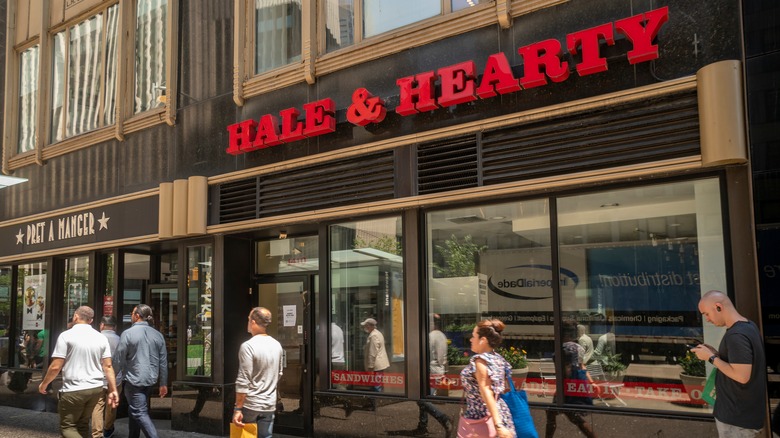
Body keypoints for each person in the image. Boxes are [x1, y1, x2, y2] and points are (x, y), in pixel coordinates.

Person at [692, 290, 767, 437]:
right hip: (741, 415)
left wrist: (711, 358)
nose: (707, 319)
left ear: (718, 307)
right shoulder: (748, 326)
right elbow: (742, 363)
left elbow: (742, 376)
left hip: (737, 418)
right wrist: (716, 354)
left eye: (706, 313)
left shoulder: (736, 335)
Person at [38, 306, 119, 438]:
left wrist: (44, 384)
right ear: (91, 320)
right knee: (82, 425)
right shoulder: (101, 338)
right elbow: (108, 366)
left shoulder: (66, 336)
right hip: (95, 389)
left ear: (75, 316)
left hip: (73, 389)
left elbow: (55, 366)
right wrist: (113, 389)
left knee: (67, 427)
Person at [114, 304, 168, 438]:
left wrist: (112, 378)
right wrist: (163, 383)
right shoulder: (158, 335)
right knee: (135, 410)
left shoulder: (128, 334)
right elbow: (163, 361)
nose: (131, 315)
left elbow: (118, 359)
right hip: (150, 379)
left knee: (139, 412)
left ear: (137, 316)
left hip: (134, 379)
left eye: (132, 313)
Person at [232, 307, 283, 438]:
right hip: (269, 404)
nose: (248, 322)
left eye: (249, 319)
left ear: (253, 322)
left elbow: (243, 379)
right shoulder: (277, 345)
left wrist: (238, 408)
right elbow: (279, 373)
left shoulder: (248, 346)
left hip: (251, 404)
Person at [460, 319, 516, 438]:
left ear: (483, 340)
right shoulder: (498, 359)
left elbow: (486, 391)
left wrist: (498, 425)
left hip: (481, 417)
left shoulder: (480, 361)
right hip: (502, 412)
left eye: (474, 336)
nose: (470, 339)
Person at [546, 320, 597, 438]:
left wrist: (561, 389)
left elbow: (566, 371)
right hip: (575, 385)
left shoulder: (563, 349)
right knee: (563, 415)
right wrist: (592, 382)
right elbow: (582, 366)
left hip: (566, 387)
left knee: (572, 417)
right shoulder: (578, 348)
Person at [412, 315, 453, 436]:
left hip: (431, 370)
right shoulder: (442, 336)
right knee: (423, 399)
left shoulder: (431, 336)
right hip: (439, 369)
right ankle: (422, 426)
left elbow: (426, 355)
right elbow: (442, 357)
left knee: (421, 399)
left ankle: (443, 419)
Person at [92, 316, 122, 438]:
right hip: (115, 378)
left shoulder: (94, 338)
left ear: (102, 325)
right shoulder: (120, 339)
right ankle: (108, 429)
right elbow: (122, 360)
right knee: (112, 405)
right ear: (114, 327)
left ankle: (97, 434)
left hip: (97, 377)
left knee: (97, 407)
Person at [361, 318, 389, 392]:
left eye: (365, 326)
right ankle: (377, 400)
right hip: (379, 364)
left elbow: (372, 352)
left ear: (370, 326)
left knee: (376, 385)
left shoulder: (373, 335)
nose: (364, 328)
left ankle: (376, 401)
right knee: (378, 383)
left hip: (376, 365)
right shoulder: (378, 333)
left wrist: (370, 366)